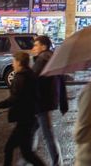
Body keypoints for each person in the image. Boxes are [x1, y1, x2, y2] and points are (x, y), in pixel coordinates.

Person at [0, 51, 46, 166]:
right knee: (26, 152)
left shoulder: (20, 78)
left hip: (25, 119)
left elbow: (14, 98)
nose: (12, 65)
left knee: (11, 148)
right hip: (29, 117)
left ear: (19, 63)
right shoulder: (30, 74)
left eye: (14, 62)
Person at [31, 35, 68, 166]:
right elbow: (62, 81)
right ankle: (27, 157)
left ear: (44, 46)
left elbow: (32, 80)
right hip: (47, 101)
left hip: (41, 102)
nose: (33, 48)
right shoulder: (52, 58)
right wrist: (64, 103)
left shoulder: (41, 59)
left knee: (48, 135)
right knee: (33, 130)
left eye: (36, 45)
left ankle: (57, 163)